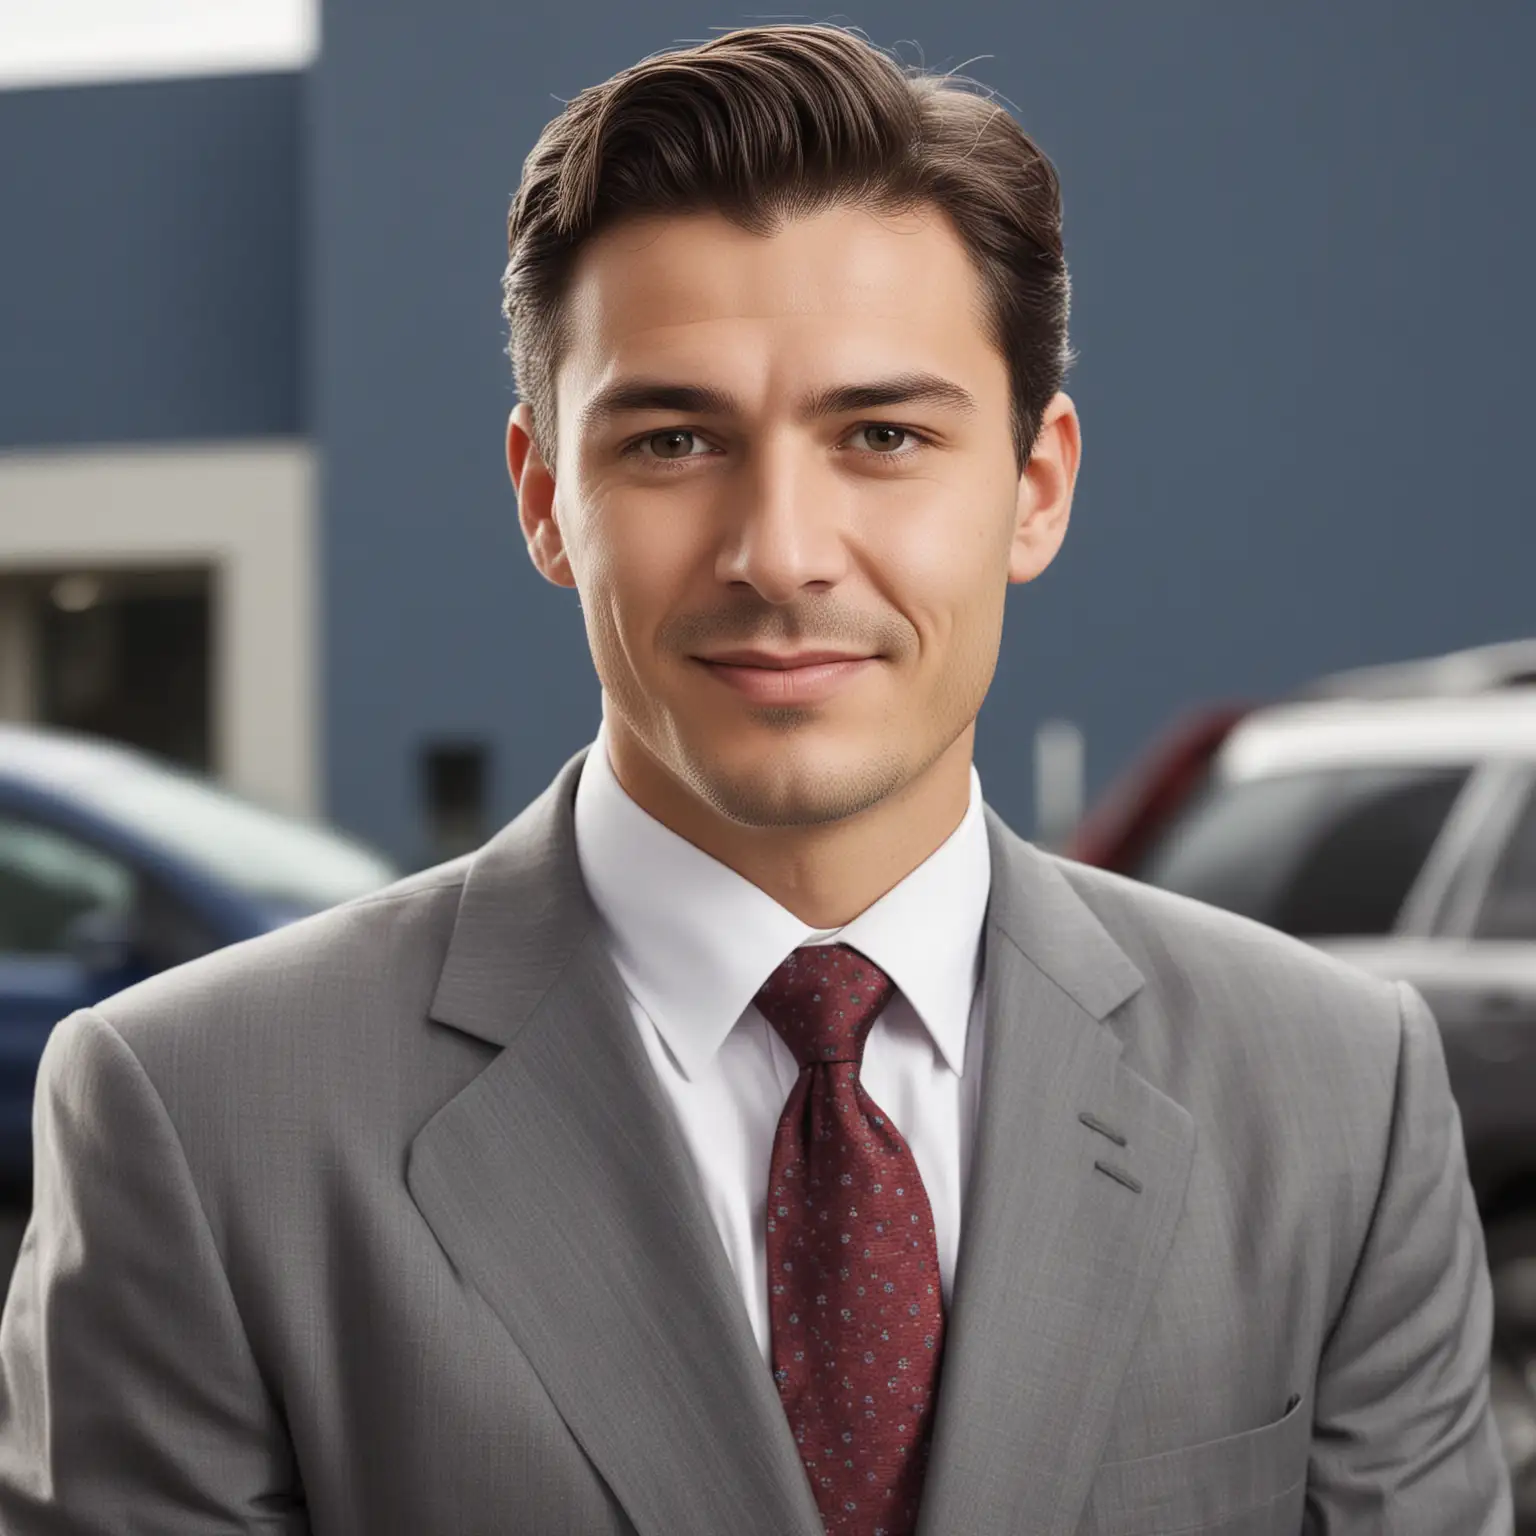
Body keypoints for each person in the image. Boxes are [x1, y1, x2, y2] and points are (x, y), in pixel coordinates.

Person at [0, 22, 1511, 1536]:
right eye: (673, 439)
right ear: (544, 498)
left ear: (1035, 486)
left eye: (883, 434)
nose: (781, 552)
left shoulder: (1336, 1104)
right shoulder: (197, 1123)